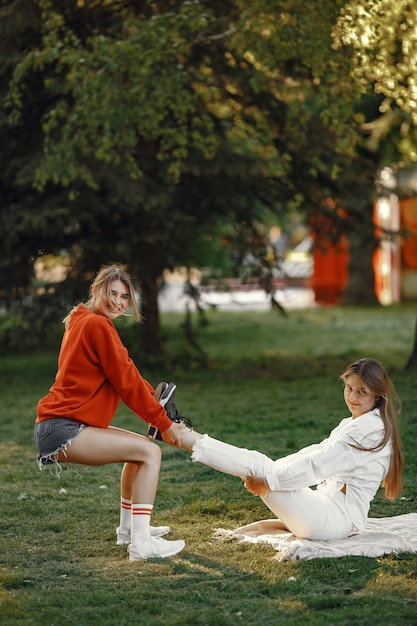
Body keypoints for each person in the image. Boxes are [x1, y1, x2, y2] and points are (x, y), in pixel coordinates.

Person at [149, 358, 404, 541]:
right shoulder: (358, 423)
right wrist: (273, 472)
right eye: (349, 388)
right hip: (329, 513)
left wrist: (270, 481)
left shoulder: (370, 429)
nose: (353, 397)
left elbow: (319, 465)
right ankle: (175, 432)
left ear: (378, 396)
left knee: (259, 465)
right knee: (260, 464)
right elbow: (315, 452)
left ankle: (175, 431)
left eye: (362, 392)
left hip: (334, 520)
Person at [34, 264, 185, 561]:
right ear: (96, 290)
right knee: (150, 454)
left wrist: (154, 401)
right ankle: (141, 544)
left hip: (57, 425)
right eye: (112, 293)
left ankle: (128, 530)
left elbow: (124, 371)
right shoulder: (97, 325)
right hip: (63, 428)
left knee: (140, 451)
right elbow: (125, 381)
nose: (118, 301)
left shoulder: (81, 319)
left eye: (124, 297)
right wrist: (163, 422)